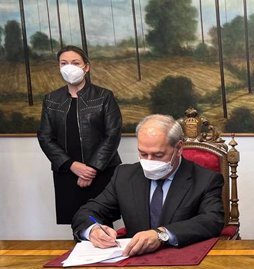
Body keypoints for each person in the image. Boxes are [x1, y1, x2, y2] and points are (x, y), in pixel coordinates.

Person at [72, 114, 225, 256]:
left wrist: (162, 234)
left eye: (158, 155)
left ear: (179, 148)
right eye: (143, 154)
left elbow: (212, 220)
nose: (149, 161)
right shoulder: (124, 176)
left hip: (183, 261)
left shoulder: (205, 179)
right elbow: (88, 212)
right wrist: (93, 229)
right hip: (135, 262)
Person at [37, 45, 122, 224]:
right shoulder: (51, 99)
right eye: (64, 63)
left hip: (100, 170)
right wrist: (72, 165)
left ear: (86, 67)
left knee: (102, 223)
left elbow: (112, 134)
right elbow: (45, 137)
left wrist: (91, 169)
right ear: (59, 67)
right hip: (67, 172)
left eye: (75, 63)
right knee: (77, 222)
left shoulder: (104, 96)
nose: (69, 67)